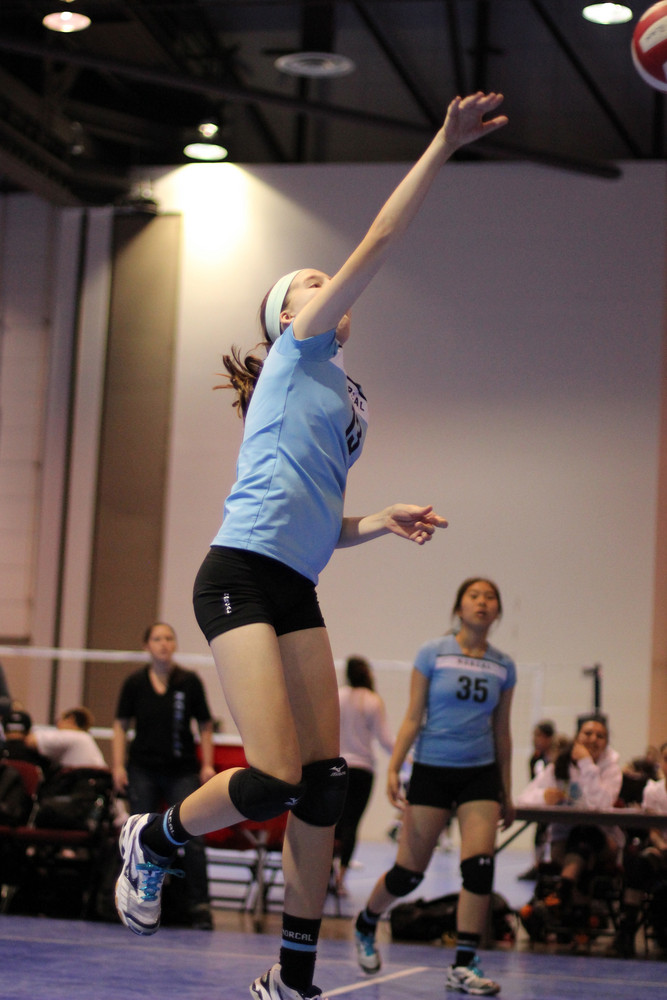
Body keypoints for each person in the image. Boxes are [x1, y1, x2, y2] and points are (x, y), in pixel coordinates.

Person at [113, 91, 508, 1000]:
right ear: (286, 315)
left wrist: (377, 520)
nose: (325, 282)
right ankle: (153, 836)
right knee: (272, 774)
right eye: (309, 280)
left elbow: (320, 518)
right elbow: (379, 237)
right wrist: (442, 144)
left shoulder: (344, 393)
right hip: (239, 576)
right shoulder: (297, 350)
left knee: (324, 784)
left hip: (297, 582)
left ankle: (292, 978)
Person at [354, 577, 515, 997]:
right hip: (432, 768)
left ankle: (463, 963)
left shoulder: (504, 666)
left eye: (490, 598)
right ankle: (367, 922)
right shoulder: (433, 653)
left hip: (480, 772)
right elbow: (413, 716)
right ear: (459, 608)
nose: (482, 603)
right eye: (474, 596)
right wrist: (394, 767)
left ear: (498, 612)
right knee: (408, 874)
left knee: (479, 867)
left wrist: (506, 789)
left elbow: (502, 732)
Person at [112, 622, 216, 930]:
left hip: (182, 770)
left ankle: (199, 905)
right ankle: (134, 900)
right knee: (139, 837)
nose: (163, 644)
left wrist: (207, 765)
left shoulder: (189, 681)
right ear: (147, 645)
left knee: (193, 835)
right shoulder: (134, 683)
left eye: (169, 638)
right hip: (142, 769)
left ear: (174, 644)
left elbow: (205, 725)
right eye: (157, 639)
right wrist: (118, 766)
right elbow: (120, 725)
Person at [516, 713, 623, 931]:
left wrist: (586, 763)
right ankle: (574, 912)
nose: (593, 739)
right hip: (563, 843)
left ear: (606, 742)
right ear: (577, 737)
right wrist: (543, 796)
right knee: (580, 844)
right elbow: (523, 799)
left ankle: (561, 893)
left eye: (600, 736)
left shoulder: (612, 770)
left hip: (603, 843)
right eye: (588, 733)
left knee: (586, 834)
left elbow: (600, 805)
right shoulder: (560, 766)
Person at [333, 656, 394, 895]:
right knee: (351, 824)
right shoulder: (372, 700)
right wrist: (406, 759)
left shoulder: (338, 696)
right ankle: (341, 878)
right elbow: (385, 739)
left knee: (332, 822)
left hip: (337, 768)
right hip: (362, 770)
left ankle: (327, 872)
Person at [614, 739, 667, 957]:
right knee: (637, 864)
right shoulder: (653, 790)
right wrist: (662, 846)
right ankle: (627, 927)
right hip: (660, 850)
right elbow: (653, 831)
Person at [518, 719, 556, 880]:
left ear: (549, 738)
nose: (535, 740)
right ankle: (537, 865)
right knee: (541, 830)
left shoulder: (557, 757)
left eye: (539, 736)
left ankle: (554, 864)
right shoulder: (534, 759)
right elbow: (534, 784)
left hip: (558, 802)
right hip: (543, 802)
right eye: (534, 736)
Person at [30, 706, 107, 769]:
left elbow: (31, 740)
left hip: (79, 780)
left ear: (71, 719)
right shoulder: (87, 738)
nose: (58, 725)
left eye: (61, 719)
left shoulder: (73, 735)